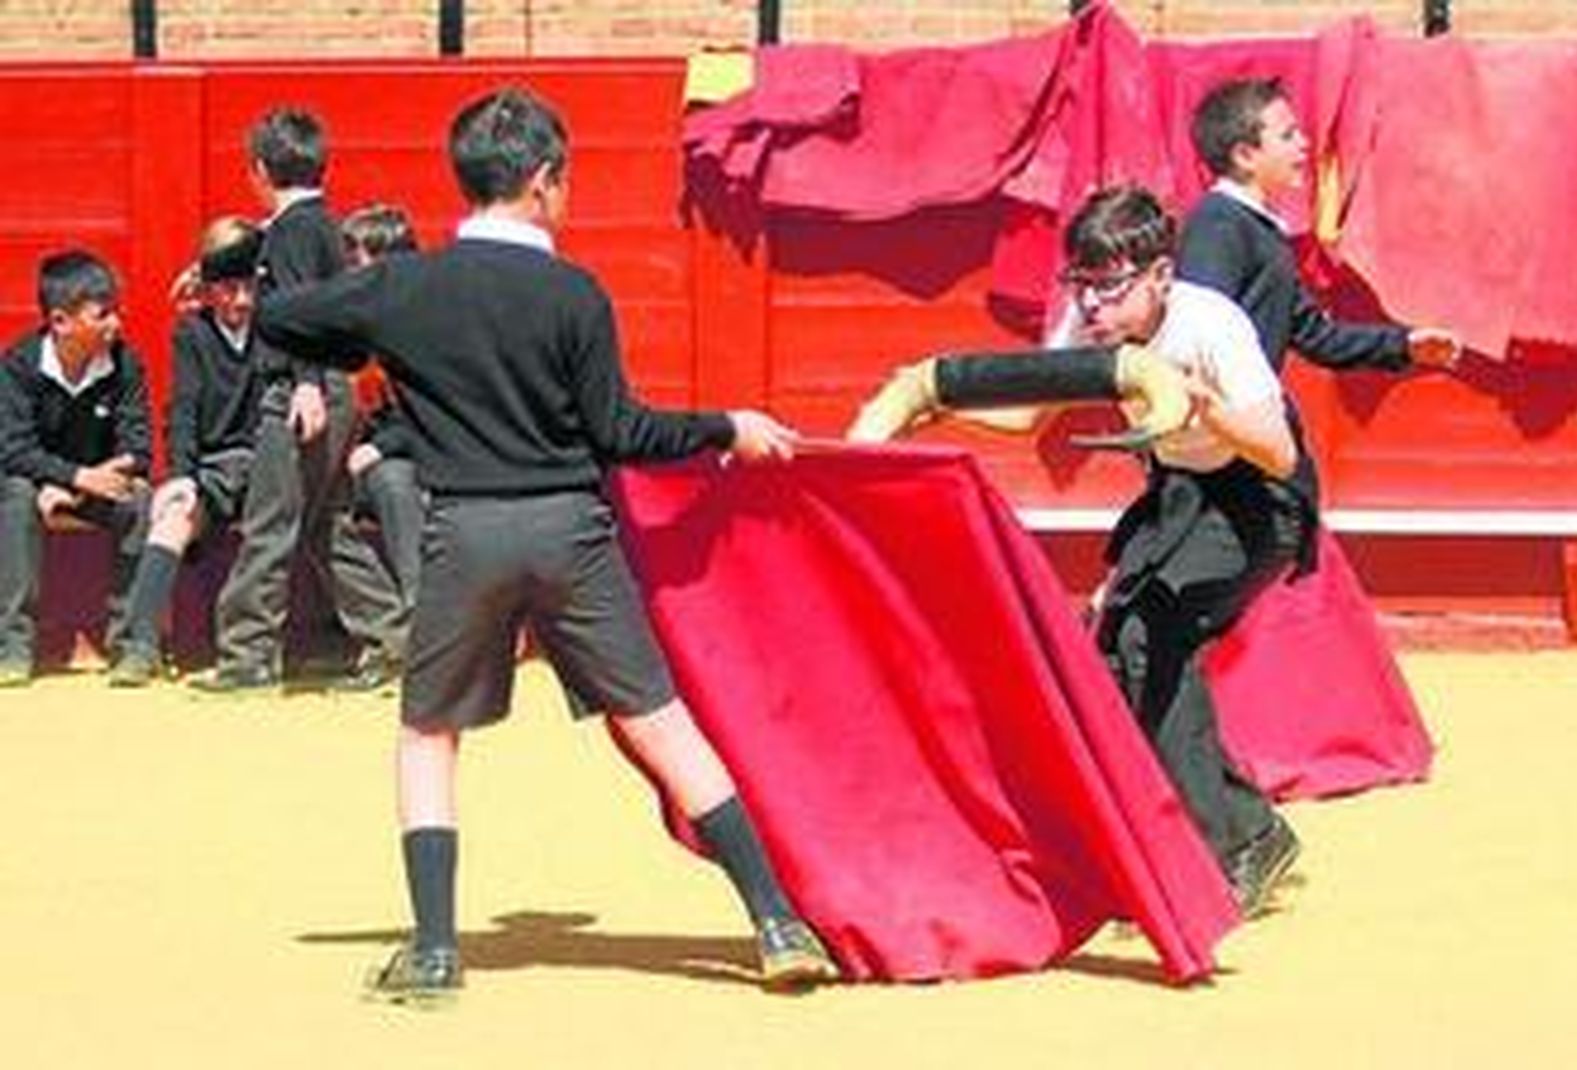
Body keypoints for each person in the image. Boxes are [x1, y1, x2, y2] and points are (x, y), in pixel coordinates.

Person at [255, 87, 837, 1004]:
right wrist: (726, 425)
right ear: (541, 180)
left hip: (465, 534)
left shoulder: (403, 287)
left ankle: (435, 952)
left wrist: (285, 270)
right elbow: (620, 432)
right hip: (571, 532)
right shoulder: (573, 293)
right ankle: (775, 923)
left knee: (428, 735)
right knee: (660, 722)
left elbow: (281, 318)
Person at [848, 186, 1303, 917]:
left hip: (1255, 499)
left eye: (1109, 286)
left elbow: (1279, 453)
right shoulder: (1090, 323)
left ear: (1160, 275)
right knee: (1116, 653)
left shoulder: (1211, 324)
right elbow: (1029, 416)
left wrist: (1206, 407)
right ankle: (1224, 834)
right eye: (1081, 284)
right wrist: (939, 406)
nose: (1092, 303)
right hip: (1180, 494)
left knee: (1152, 639)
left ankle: (1239, 841)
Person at [1179, 76, 1460, 542]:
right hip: (1222, 443)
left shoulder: (1254, 227)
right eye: (1287, 135)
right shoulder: (1219, 225)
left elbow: (1314, 334)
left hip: (1241, 438)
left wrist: (1404, 345)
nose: (1304, 144)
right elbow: (1195, 334)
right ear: (1245, 155)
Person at [191, 107, 408, 694]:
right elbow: (273, 263)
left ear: (260, 171)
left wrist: (306, 383)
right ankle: (394, 641)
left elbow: (301, 307)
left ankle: (247, 657)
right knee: (322, 524)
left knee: (270, 522)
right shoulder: (316, 227)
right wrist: (206, 270)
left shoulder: (289, 233)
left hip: (298, 389)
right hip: (333, 389)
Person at [109, 218, 266, 686]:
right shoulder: (193, 333)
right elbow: (184, 409)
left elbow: (291, 238)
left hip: (268, 465)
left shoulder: (275, 325)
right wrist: (181, 475)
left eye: (250, 287)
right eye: (228, 288)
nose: (241, 300)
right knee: (173, 518)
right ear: (209, 290)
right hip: (215, 467)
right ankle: (140, 646)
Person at [0, 250, 152, 686]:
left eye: (115, 312)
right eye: (102, 315)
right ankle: (12, 647)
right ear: (60, 322)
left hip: (92, 485)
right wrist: (71, 477)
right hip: (36, 486)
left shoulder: (125, 364)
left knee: (139, 499)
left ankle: (132, 646)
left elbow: (138, 450)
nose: (115, 324)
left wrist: (80, 485)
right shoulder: (20, 365)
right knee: (15, 495)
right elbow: (13, 450)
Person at [339, 204, 426, 611]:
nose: (349, 274)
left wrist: (379, 448)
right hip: (342, 464)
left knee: (394, 480)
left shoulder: (426, 325)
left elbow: (434, 414)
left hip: (407, 464)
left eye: (357, 262)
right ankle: (382, 624)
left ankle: (420, 610)